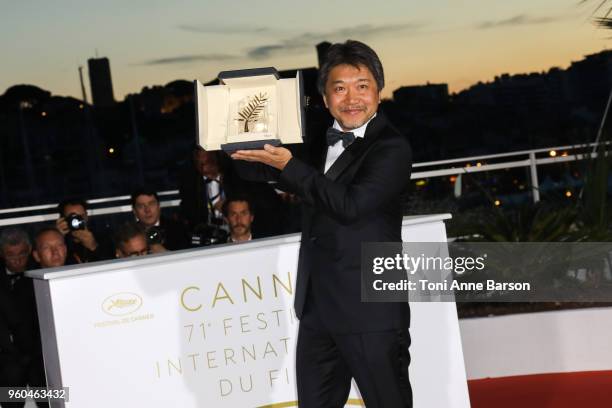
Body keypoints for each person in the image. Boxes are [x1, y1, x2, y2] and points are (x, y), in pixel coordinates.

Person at [231, 40, 413, 407]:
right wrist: (238, 132)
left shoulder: (392, 148)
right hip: (318, 311)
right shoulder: (315, 142)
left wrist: (289, 167)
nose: (352, 99)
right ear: (325, 98)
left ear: (379, 91)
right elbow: (257, 168)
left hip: (370, 310)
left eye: (362, 86)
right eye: (339, 88)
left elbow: (351, 206)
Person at [179, 146, 285, 237]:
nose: (204, 166)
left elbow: (267, 201)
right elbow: (189, 214)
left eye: (208, 161)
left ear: (217, 157)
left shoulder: (240, 176)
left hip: (245, 232)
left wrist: (228, 207)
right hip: (210, 236)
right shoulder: (191, 185)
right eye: (199, 163)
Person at [0, 228, 48, 408]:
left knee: (51, 403)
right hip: (9, 362)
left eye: (22, 253)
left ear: (29, 250)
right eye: (11, 255)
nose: (18, 259)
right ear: (2, 254)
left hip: (40, 359)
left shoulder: (41, 274)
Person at [55, 198, 113, 263]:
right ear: (63, 219)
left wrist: (94, 247)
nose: (77, 221)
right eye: (72, 218)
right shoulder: (62, 241)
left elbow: (111, 265)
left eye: (81, 216)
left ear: (86, 216)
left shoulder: (102, 237)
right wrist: (57, 237)